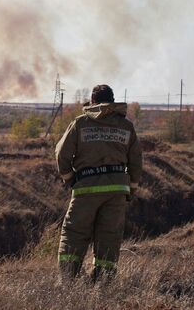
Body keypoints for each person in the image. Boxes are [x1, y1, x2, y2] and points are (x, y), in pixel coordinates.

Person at [55, 84, 143, 282]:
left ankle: (68, 281)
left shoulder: (80, 123)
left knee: (75, 233)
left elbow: (62, 154)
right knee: (109, 237)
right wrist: (131, 187)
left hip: (86, 187)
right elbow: (136, 160)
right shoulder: (126, 126)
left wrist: (70, 178)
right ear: (112, 101)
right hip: (117, 191)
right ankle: (103, 283)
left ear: (92, 101)